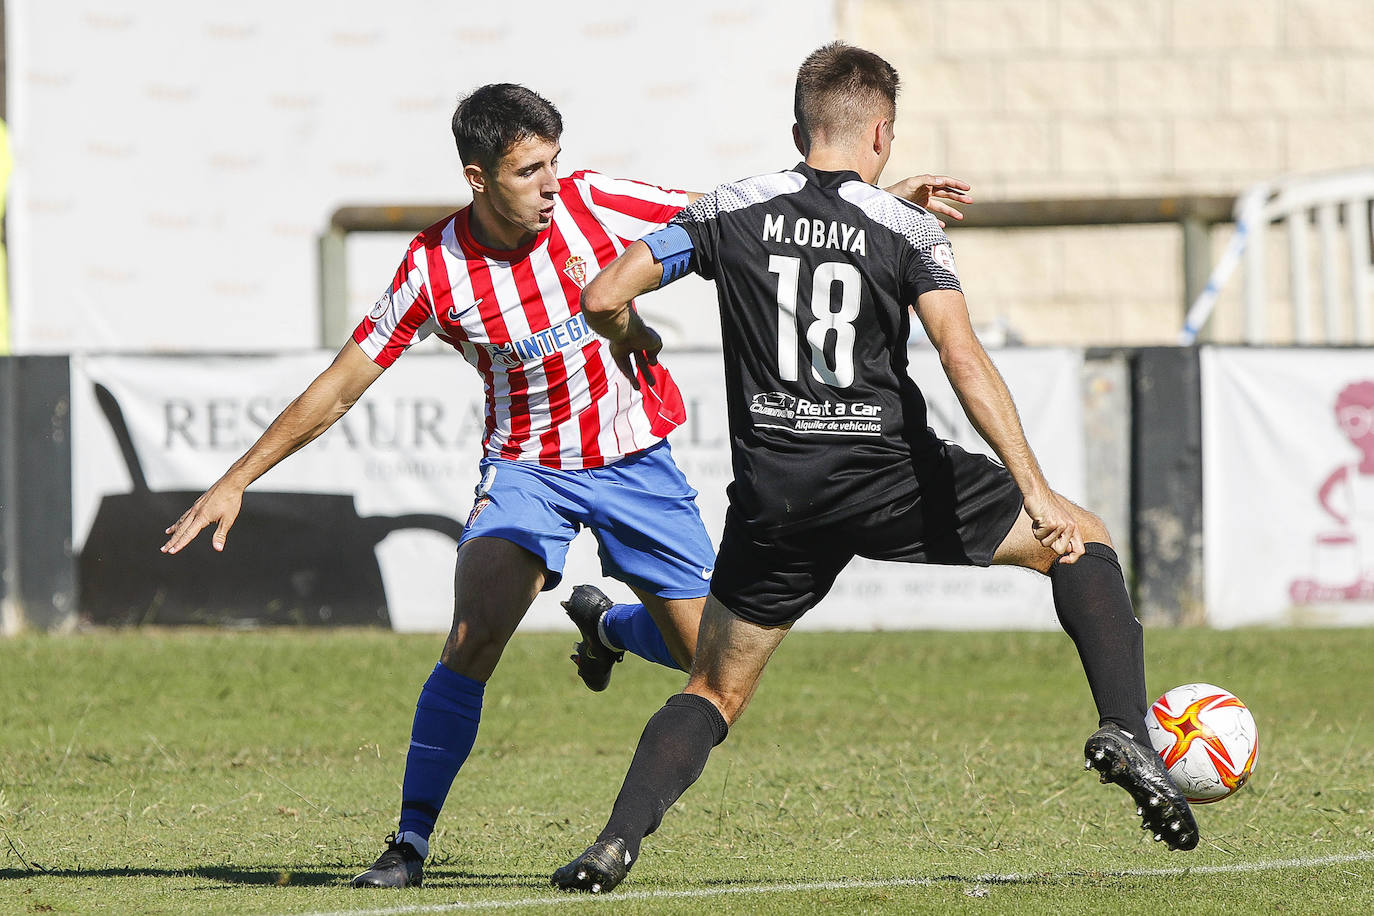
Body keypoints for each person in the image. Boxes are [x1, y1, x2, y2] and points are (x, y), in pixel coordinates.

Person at [159, 82, 974, 889]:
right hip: (527, 471)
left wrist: (878, 201)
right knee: (475, 632)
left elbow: (759, 221)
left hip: (636, 463)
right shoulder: (432, 268)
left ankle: (611, 629)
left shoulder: (596, 202)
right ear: (477, 178)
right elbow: (340, 387)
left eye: (554, 163)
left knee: (707, 660)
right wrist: (236, 479)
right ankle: (408, 843)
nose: (551, 185)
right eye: (526, 172)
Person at [551, 42, 1198, 895]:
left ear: (798, 127)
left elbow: (602, 296)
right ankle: (1126, 730)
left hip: (777, 499)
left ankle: (614, 844)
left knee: (711, 690)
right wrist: (1037, 492)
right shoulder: (905, 229)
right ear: (882, 134)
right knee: (1082, 540)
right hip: (892, 481)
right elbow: (960, 355)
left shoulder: (728, 208)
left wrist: (634, 337)